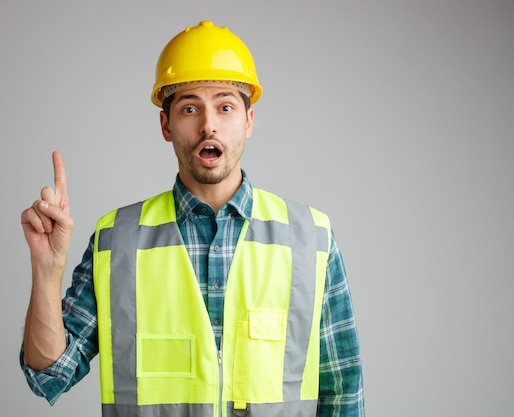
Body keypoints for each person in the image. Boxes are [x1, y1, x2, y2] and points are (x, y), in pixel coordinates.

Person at [19, 20, 364, 417]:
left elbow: (344, 393)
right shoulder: (117, 241)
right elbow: (48, 374)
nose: (208, 124)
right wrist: (47, 268)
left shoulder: (311, 238)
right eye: (189, 108)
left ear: (249, 121)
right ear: (166, 125)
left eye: (225, 106)